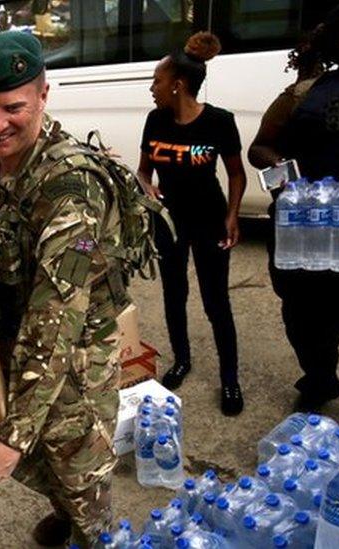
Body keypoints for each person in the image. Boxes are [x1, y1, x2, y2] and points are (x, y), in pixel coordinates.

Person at [0, 31, 131, 547]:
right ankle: (68, 510)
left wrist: (13, 438)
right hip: (18, 339)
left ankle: (92, 530)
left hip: (73, 358)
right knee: (42, 465)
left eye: (13, 108)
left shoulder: (73, 190)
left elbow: (57, 317)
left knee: (79, 467)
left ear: (44, 96)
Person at [248, 0, 339, 420]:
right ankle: (319, 380)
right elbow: (259, 148)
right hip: (310, 233)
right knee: (307, 320)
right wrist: (292, 182)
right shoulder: (303, 94)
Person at [136, 32, 246, 415]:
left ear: (178, 85)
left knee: (217, 302)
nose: (152, 88)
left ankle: (230, 380)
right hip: (170, 222)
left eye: (157, 81)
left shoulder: (219, 122)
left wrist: (232, 215)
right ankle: (182, 360)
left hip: (210, 220)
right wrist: (145, 188)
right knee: (174, 294)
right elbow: (143, 171)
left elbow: (235, 174)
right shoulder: (155, 120)